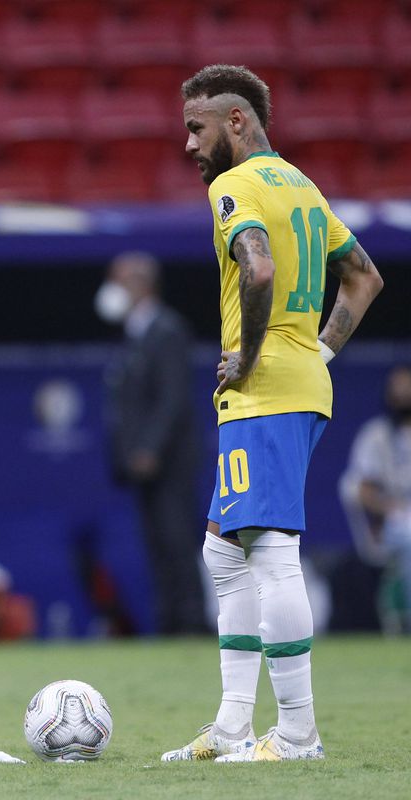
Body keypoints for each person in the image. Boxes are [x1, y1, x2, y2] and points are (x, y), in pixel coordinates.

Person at [162, 65, 383, 763]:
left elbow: (255, 269)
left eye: (197, 129)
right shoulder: (303, 186)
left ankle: (295, 734)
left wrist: (250, 355)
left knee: (271, 553)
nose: (189, 146)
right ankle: (230, 728)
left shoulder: (236, 188)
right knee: (223, 552)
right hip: (299, 382)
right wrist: (319, 350)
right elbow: (364, 276)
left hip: (263, 392)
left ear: (236, 121)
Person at [98, 251, 205, 635]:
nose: (111, 290)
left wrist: (150, 448)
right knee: (156, 545)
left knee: (177, 541)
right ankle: (168, 622)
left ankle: (192, 622)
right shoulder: (135, 332)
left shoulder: (168, 329)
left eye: (119, 281)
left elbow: (172, 398)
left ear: (141, 284)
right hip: (140, 465)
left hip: (169, 462)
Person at [342, 364, 411, 632]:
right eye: (399, 390)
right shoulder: (376, 434)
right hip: (393, 521)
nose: (405, 395)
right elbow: (360, 488)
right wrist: (389, 507)